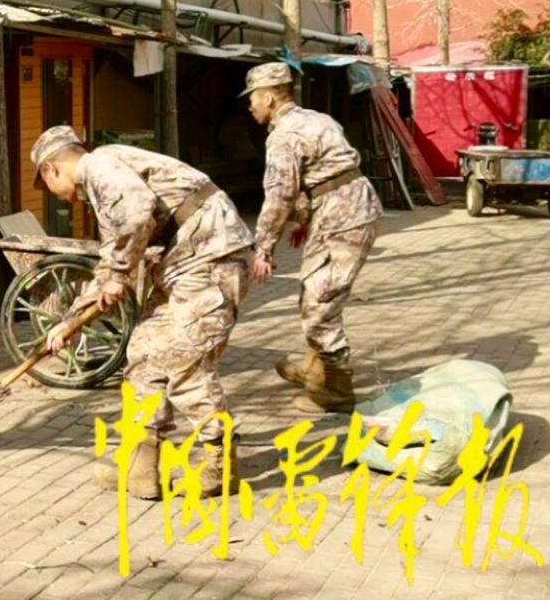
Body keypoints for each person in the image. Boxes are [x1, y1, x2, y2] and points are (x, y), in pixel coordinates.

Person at [33, 126, 253, 498]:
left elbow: (136, 216)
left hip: (211, 260)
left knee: (184, 360)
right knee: (143, 355)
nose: (57, 197)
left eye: (48, 187)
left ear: (51, 169)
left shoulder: (99, 166)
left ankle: (220, 464)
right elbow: (110, 263)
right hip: (183, 267)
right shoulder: (106, 190)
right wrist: (71, 322)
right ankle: (141, 466)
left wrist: (119, 274)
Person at [241, 62, 382, 414]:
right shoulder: (317, 119)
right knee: (316, 291)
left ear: (269, 98)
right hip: (347, 206)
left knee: (321, 302)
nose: (250, 106)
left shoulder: (283, 136)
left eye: (253, 99)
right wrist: (304, 219)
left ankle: (335, 391)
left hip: (342, 215)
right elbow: (317, 174)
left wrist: (264, 248)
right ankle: (315, 368)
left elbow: (280, 195)